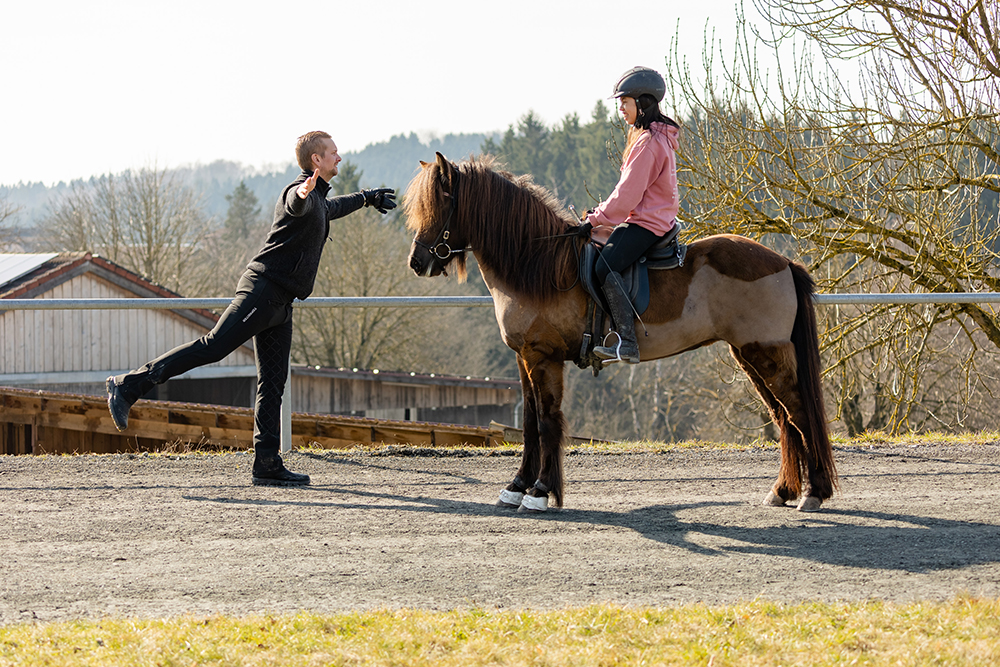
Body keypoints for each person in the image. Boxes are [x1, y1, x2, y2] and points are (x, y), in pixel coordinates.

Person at [105, 131, 396, 486]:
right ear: (315, 160)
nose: (340, 157)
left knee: (273, 383)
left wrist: (367, 198)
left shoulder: (320, 200)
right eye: (333, 153)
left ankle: (267, 463)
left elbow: (332, 208)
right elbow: (296, 202)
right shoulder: (300, 192)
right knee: (213, 347)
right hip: (262, 292)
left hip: (281, 303)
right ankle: (129, 385)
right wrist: (303, 192)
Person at [579, 66, 681, 366]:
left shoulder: (648, 142)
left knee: (604, 266)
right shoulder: (652, 137)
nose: (620, 108)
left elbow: (626, 197)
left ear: (644, 103)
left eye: (626, 102)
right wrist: (600, 214)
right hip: (651, 218)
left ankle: (628, 342)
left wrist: (594, 219)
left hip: (647, 223)